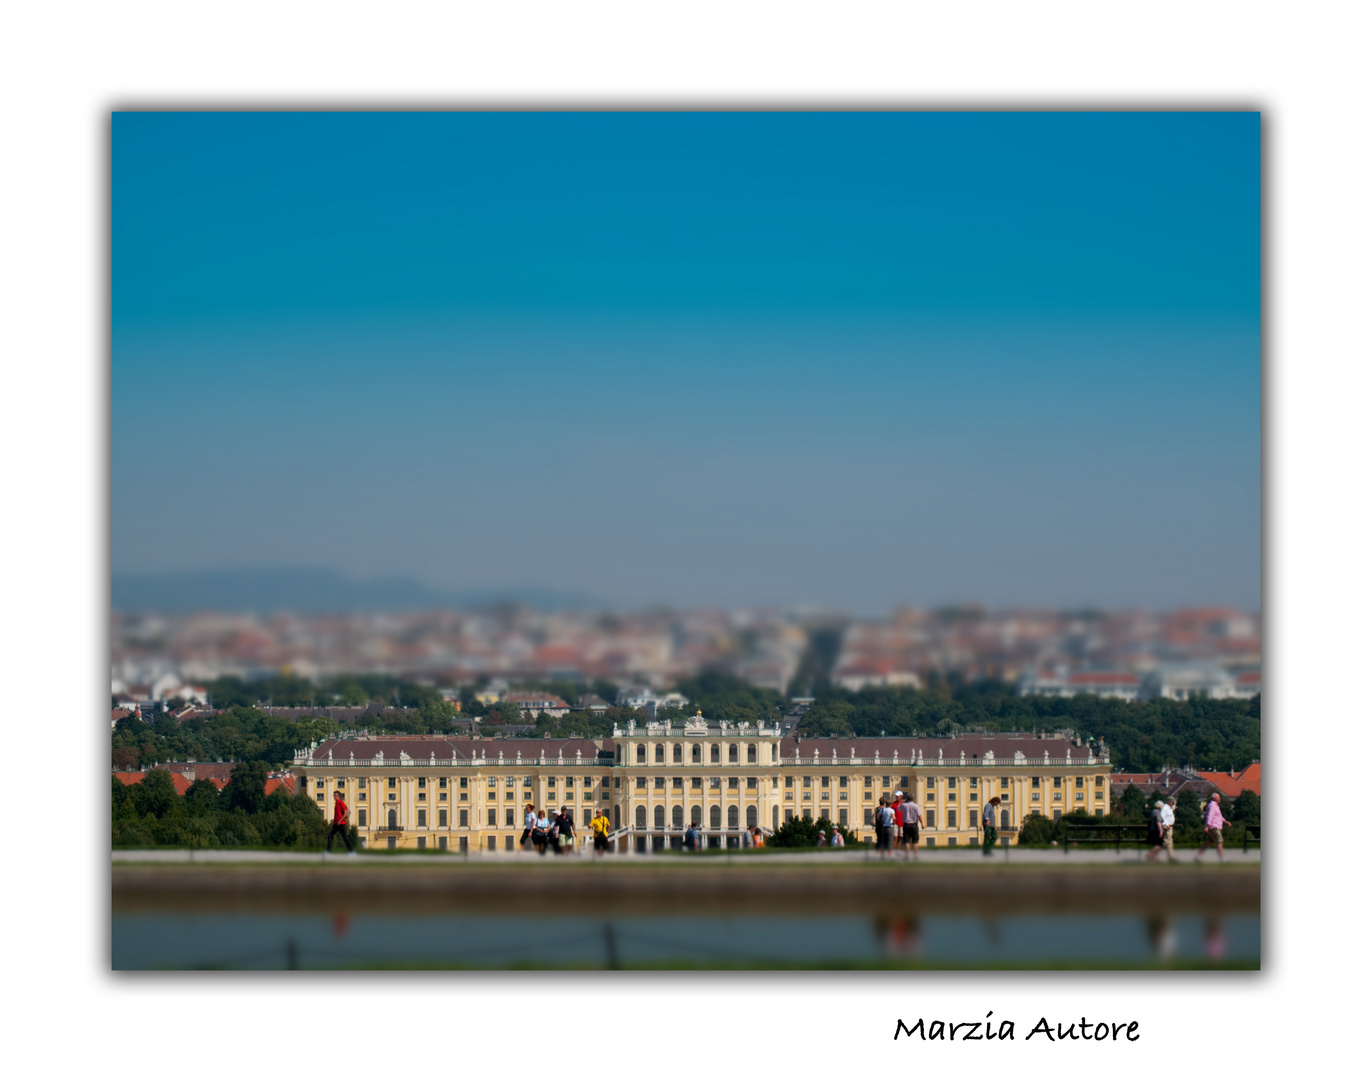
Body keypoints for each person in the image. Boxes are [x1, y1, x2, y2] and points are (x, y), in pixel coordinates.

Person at [1196, 791, 1229, 862]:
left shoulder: (1215, 805)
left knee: (1208, 842)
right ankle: (1222, 858)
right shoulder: (1212, 806)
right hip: (1214, 827)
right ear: (1214, 798)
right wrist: (1207, 827)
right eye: (1218, 797)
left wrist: (1225, 821)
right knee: (1219, 842)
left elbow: (1219, 816)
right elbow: (1209, 816)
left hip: (1212, 826)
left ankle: (1198, 856)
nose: (1220, 798)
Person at [326, 789, 356, 855]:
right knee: (330, 836)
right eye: (334, 795)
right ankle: (328, 852)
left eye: (335, 795)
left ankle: (352, 852)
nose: (334, 796)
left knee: (345, 837)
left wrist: (340, 821)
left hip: (341, 824)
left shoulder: (341, 802)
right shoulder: (336, 803)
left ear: (339, 796)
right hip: (336, 824)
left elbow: (345, 813)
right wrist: (336, 822)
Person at [899, 795, 923, 860]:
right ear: (913, 799)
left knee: (907, 841)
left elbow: (899, 809)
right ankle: (915, 857)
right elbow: (919, 815)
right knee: (915, 841)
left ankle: (907, 856)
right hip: (914, 824)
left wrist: (905, 802)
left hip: (906, 824)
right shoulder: (916, 805)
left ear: (907, 799)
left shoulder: (903, 805)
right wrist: (922, 824)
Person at [1160, 795, 1177, 862]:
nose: (1173, 804)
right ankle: (1170, 857)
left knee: (1168, 841)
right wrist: (1167, 824)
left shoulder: (1169, 808)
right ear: (1170, 802)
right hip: (1167, 826)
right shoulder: (1165, 808)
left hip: (1169, 826)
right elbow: (1162, 816)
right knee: (1168, 841)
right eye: (1173, 802)